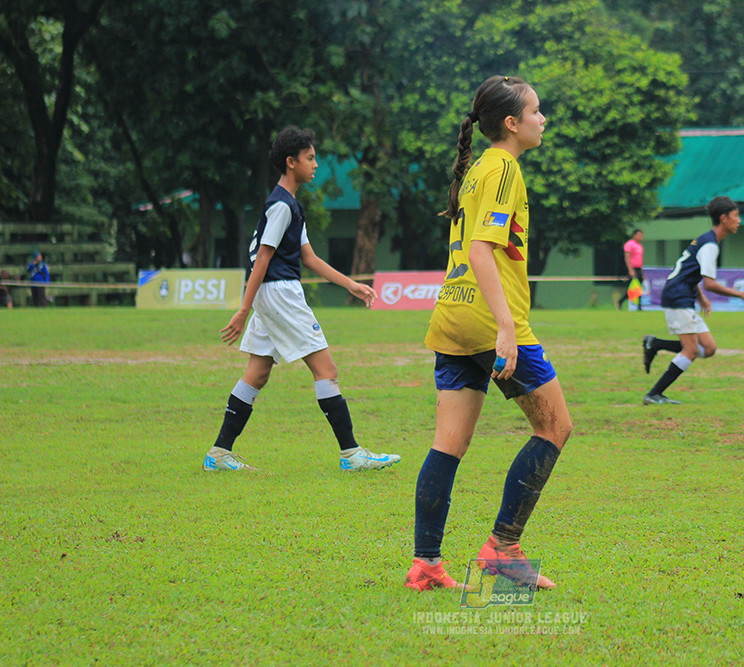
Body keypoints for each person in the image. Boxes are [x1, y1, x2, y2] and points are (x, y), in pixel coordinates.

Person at [405, 76, 572, 592]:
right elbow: (481, 250)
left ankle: (425, 563)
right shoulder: (502, 169)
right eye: (536, 111)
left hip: (451, 317)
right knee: (555, 427)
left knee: (447, 445)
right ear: (511, 122)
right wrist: (505, 327)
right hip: (488, 322)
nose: (543, 119)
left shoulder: (478, 168)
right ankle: (502, 548)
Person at [204, 126, 400, 473]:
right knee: (327, 370)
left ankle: (218, 454)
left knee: (258, 371)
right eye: (310, 158)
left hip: (272, 293)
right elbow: (262, 259)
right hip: (279, 292)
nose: (316, 164)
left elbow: (308, 258)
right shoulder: (281, 206)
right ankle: (351, 454)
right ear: (291, 162)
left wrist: (350, 284)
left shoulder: (290, 205)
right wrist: (242, 310)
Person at [641, 196, 744, 405]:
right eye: (736, 216)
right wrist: (741, 294)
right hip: (677, 295)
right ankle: (654, 394)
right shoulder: (710, 245)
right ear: (723, 218)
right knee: (692, 350)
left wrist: (701, 297)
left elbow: (690, 273)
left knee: (709, 348)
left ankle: (655, 343)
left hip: (682, 293)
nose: (739, 221)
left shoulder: (706, 240)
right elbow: (710, 283)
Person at [617, 229, 644, 311]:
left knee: (638, 287)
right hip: (632, 268)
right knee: (632, 287)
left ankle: (639, 306)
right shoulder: (630, 244)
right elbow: (627, 257)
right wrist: (630, 270)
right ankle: (621, 301)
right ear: (634, 235)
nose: (640, 237)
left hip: (638, 268)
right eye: (639, 235)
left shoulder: (639, 246)